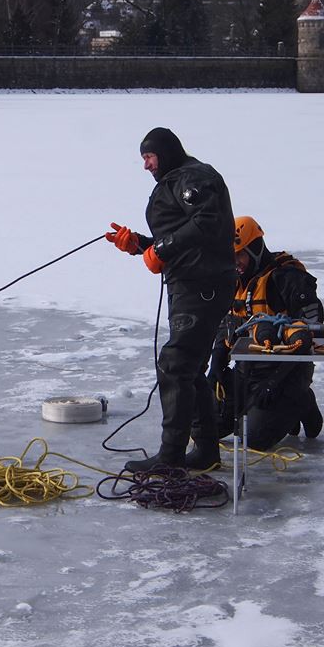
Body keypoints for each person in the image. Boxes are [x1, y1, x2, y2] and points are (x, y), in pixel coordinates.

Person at [107, 127, 235, 471]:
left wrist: (161, 249)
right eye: (143, 158)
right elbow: (184, 235)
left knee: (175, 364)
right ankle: (205, 450)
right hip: (191, 283)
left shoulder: (193, 177)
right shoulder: (178, 179)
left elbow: (208, 221)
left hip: (202, 285)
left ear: (165, 152)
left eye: (149, 157)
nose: (146, 165)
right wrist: (140, 244)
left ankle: (171, 457)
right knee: (189, 368)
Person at [208, 216, 324, 452]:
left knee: (254, 439)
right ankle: (262, 406)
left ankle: (302, 401)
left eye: (240, 255)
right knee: (205, 426)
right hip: (247, 370)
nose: (235, 262)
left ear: (255, 249)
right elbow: (227, 325)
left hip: (287, 373)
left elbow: (312, 335)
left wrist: (274, 382)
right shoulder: (234, 281)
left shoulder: (287, 279)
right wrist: (217, 362)